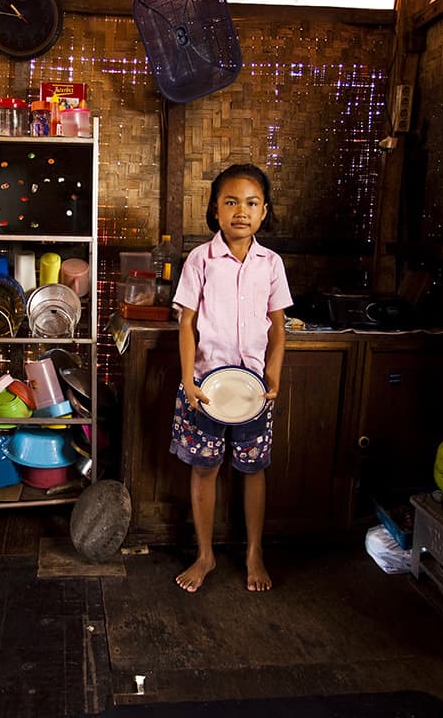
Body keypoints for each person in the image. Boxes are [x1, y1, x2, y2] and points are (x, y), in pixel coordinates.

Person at [169, 163, 293, 593]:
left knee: (253, 469)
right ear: (216, 211)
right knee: (204, 469)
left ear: (264, 213)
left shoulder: (271, 264)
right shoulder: (200, 259)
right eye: (231, 202)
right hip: (205, 386)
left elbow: (278, 327)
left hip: (254, 391)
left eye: (252, 203)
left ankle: (253, 552)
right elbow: (186, 324)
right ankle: (205, 556)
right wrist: (187, 378)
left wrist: (273, 375)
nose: (242, 211)